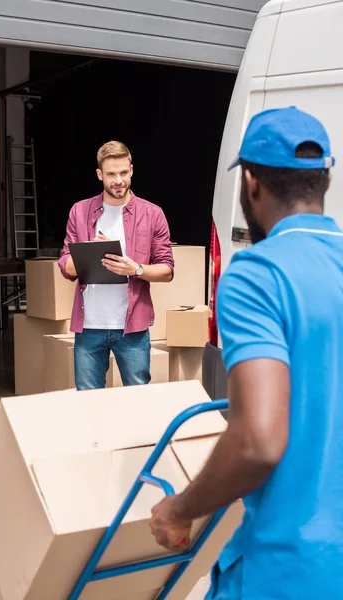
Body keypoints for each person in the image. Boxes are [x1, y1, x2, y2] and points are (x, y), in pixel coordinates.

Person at [149, 107, 343, 599]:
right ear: (323, 181)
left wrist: (179, 509)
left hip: (293, 571)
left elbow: (257, 440)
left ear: (251, 182)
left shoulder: (258, 275)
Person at [58, 141, 174, 390]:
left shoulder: (152, 214)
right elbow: (65, 265)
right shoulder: (80, 211)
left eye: (123, 172)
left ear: (131, 170)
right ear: (100, 174)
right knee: (89, 403)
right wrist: (87, 255)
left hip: (132, 328)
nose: (118, 180)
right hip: (89, 326)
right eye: (111, 174)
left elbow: (166, 270)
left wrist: (136, 269)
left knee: (137, 399)